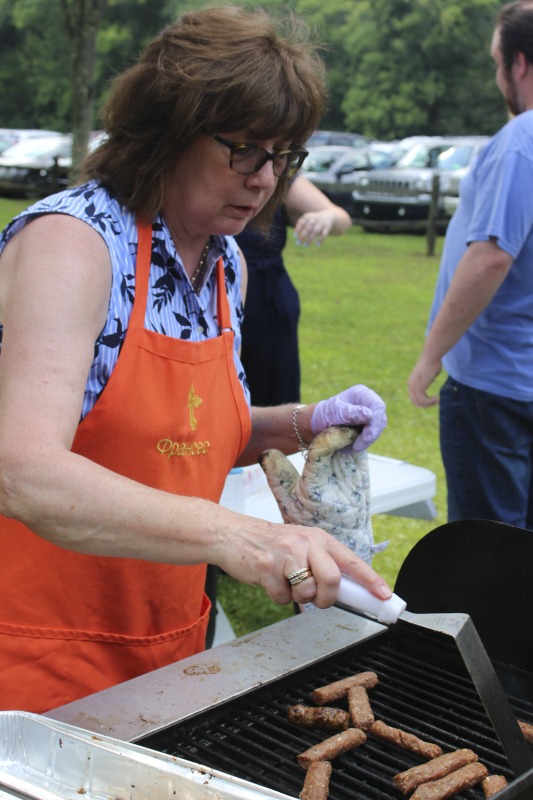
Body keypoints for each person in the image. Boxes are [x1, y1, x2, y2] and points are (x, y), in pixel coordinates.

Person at [0, 5, 390, 714]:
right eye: (243, 149)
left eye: (282, 156)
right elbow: (23, 471)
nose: (265, 178)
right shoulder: (72, 245)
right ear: (168, 131)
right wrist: (238, 535)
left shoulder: (222, 264)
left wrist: (300, 422)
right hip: (33, 659)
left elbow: (183, 440)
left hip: (167, 653)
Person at [408, 0, 533, 528]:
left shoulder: (520, 144)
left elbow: (489, 259)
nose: (495, 76)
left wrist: (431, 355)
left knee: (490, 557)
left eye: (495, 63)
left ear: (519, 64)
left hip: (495, 387)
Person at [236, 175, 352, 406]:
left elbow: (341, 218)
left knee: (270, 401)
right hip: (212, 288)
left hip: (266, 298)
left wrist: (325, 216)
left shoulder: (278, 174)